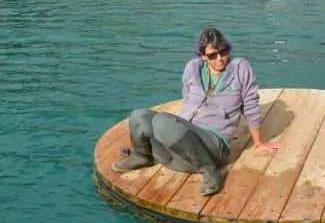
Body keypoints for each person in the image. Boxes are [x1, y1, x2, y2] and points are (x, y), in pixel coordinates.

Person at [111, 28, 284, 196]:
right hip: (177, 153)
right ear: (202, 55)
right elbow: (187, 98)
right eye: (212, 55)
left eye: (223, 52)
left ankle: (210, 171)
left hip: (213, 148)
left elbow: (251, 105)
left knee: (162, 122)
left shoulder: (240, 68)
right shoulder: (192, 68)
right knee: (139, 115)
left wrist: (259, 142)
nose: (220, 59)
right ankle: (143, 156)